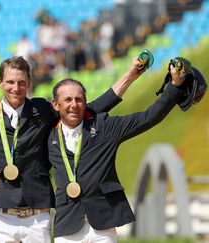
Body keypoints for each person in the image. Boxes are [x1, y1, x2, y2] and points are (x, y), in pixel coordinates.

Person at [0, 55, 145, 243]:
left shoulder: (42, 110)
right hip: (0, 214)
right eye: (10, 82)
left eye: (22, 82)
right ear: (0, 82)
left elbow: (89, 109)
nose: (16, 88)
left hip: (38, 215)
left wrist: (129, 76)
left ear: (29, 83)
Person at [48, 58, 197, 242]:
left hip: (102, 226)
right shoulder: (47, 135)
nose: (74, 105)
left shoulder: (105, 127)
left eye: (79, 100)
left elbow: (148, 117)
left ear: (85, 103)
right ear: (56, 105)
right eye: (68, 100)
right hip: (68, 224)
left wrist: (174, 86)